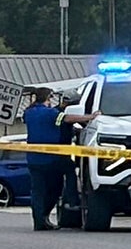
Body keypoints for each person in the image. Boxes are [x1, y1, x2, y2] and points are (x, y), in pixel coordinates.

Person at [23, 87, 99, 231]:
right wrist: (91, 117)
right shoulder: (51, 113)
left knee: (38, 191)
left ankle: (39, 221)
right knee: (68, 171)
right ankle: (72, 199)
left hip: (33, 158)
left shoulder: (28, 113)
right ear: (48, 98)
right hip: (52, 157)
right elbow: (67, 119)